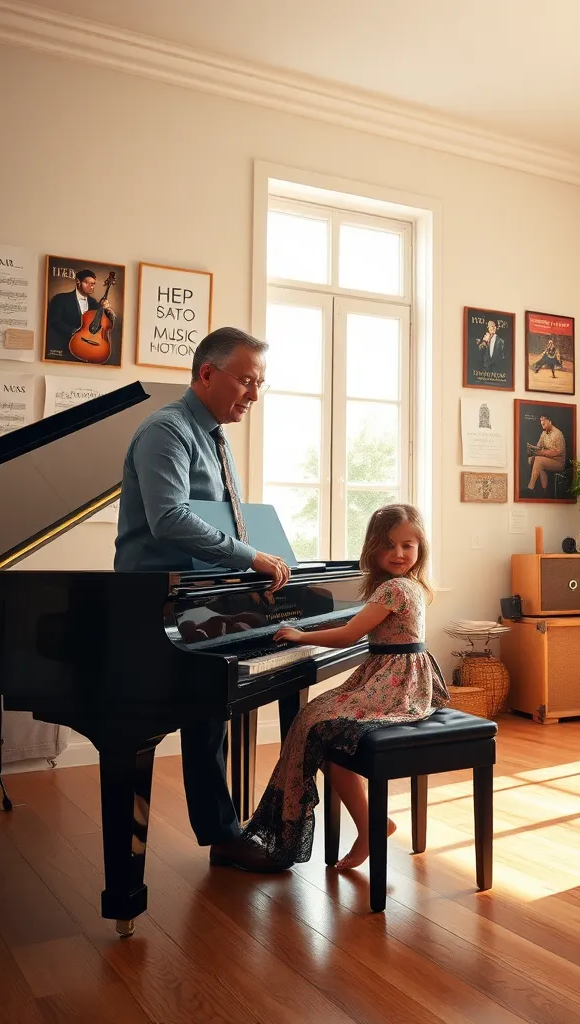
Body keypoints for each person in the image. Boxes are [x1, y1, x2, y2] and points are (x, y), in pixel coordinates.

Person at [114, 325, 293, 872]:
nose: (254, 396)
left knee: (213, 706)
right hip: (151, 604)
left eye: (260, 384)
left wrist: (258, 557)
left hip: (200, 598)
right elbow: (168, 520)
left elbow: (222, 523)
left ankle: (229, 830)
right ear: (207, 374)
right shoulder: (166, 430)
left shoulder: (215, 435)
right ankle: (220, 832)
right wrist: (251, 557)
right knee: (196, 709)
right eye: (246, 381)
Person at [243, 503, 449, 869]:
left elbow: (350, 635)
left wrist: (300, 635)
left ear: (421, 548)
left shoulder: (395, 589)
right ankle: (371, 822)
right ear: (373, 549)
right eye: (388, 546)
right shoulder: (408, 585)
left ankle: (369, 824)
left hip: (395, 684)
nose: (398, 553)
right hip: (399, 677)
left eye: (407, 545)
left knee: (316, 723)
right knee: (320, 726)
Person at [46, 269, 114, 352]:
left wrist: (108, 310)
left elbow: (106, 326)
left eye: (92, 284)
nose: (90, 286)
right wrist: (75, 332)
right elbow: (54, 322)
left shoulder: (95, 304)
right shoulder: (60, 299)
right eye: (86, 283)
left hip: (88, 349)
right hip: (65, 347)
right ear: (78, 282)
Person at [526, 414, 566, 491]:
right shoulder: (544, 433)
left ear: (550, 421)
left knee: (539, 460)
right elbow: (538, 446)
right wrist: (532, 449)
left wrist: (540, 453)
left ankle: (530, 486)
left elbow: (557, 452)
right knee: (531, 458)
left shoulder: (557, 434)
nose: (542, 424)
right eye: (541, 422)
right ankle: (544, 488)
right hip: (547, 459)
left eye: (544, 422)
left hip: (558, 462)